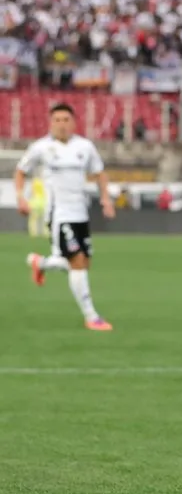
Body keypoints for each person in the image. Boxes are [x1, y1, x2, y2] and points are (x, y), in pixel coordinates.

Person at [14, 103, 115, 331]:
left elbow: (99, 173)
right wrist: (21, 197)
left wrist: (106, 199)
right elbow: (21, 171)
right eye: (57, 120)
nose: (61, 124)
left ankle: (40, 263)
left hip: (81, 213)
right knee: (77, 261)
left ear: (73, 122)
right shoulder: (41, 148)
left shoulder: (84, 147)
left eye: (65, 119)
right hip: (59, 214)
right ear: (50, 123)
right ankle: (92, 317)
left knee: (81, 263)